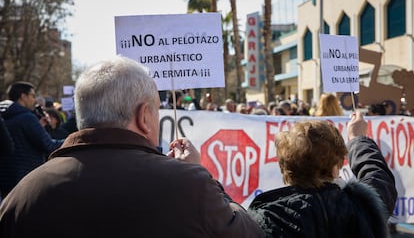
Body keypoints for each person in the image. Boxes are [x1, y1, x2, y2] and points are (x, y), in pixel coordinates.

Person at [0, 57, 265, 238]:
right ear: (144, 115)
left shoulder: (21, 195)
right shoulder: (190, 185)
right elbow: (250, 233)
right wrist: (202, 176)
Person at [247, 111, 397, 237]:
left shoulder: (266, 217)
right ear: (337, 164)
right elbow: (378, 176)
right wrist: (357, 139)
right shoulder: (361, 206)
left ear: (285, 167)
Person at [0, 82, 64, 198]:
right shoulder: (27, 118)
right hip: (26, 181)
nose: (35, 101)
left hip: (5, 181)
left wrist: (39, 127)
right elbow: (49, 146)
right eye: (33, 96)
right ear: (23, 97)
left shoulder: (4, 115)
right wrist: (72, 139)